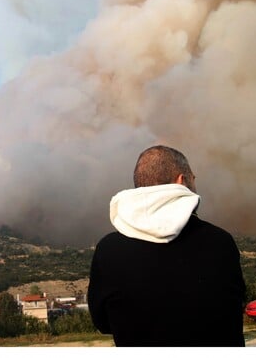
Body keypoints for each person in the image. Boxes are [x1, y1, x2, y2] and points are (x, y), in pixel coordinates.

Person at [87, 145, 246, 347]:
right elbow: (234, 306)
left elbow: (103, 323)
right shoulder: (220, 241)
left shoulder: (108, 250)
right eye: (193, 179)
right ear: (182, 180)